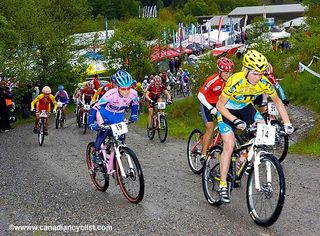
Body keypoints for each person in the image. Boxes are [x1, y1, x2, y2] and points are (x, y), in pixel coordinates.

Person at [216, 50, 294, 203]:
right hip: (227, 110)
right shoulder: (235, 80)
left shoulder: (264, 82)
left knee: (263, 128)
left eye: (261, 73)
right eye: (255, 74)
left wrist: (287, 123)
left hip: (245, 108)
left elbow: (277, 102)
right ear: (245, 70)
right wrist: (234, 120)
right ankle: (223, 184)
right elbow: (219, 105)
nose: (258, 77)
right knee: (229, 145)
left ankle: (245, 157)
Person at [88, 70, 139, 162]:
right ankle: (96, 153)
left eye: (129, 88)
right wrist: (91, 122)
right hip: (105, 114)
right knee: (104, 132)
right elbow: (96, 107)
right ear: (117, 86)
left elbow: (135, 104)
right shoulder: (110, 94)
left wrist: (134, 114)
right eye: (123, 89)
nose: (127, 91)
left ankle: (115, 151)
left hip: (118, 115)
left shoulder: (133, 93)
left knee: (120, 136)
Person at [197, 57, 234, 161]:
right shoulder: (213, 80)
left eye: (230, 72)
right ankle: (203, 155)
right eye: (226, 73)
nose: (228, 75)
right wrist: (209, 108)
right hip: (207, 103)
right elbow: (200, 95)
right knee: (210, 127)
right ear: (219, 71)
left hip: (219, 104)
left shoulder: (231, 81)